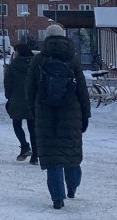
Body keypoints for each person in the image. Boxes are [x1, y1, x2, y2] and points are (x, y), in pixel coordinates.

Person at [26, 23, 91, 210]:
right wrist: (85, 115)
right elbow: (82, 91)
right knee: (71, 154)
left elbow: (30, 89)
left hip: (45, 113)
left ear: (46, 38)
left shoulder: (39, 60)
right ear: (63, 37)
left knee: (52, 157)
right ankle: (72, 187)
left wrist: (33, 110)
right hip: (71, 113)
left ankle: (57, 197)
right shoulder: (73, 60)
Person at [4, 43, 38, 165]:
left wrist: (8, 96)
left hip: (16, 99)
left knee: (17, 124)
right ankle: (35, 155)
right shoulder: (35, 64)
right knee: (33, 128)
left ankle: (25, 146)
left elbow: (8, 83)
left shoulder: (14, 65)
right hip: (32, 100)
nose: (14, 53)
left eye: (16, 51)